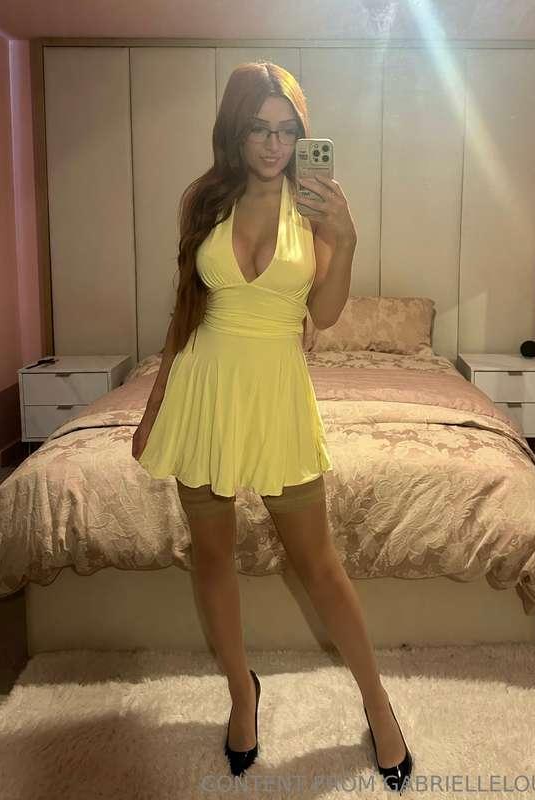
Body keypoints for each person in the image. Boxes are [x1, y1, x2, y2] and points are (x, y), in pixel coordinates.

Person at [132, 61, 413, 793]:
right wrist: (154, 407)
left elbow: (324, 314)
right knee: (212, 557)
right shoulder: (204, 200)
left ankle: (377, 704)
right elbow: (184, 311)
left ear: (301, 135)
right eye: (258, 128)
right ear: (235, 130)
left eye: (286, 130)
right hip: (203, 390)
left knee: (318, 564)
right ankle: (241, 694)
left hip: (278, 394)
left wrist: (346, 240)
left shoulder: (315, 207)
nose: (272, 144)